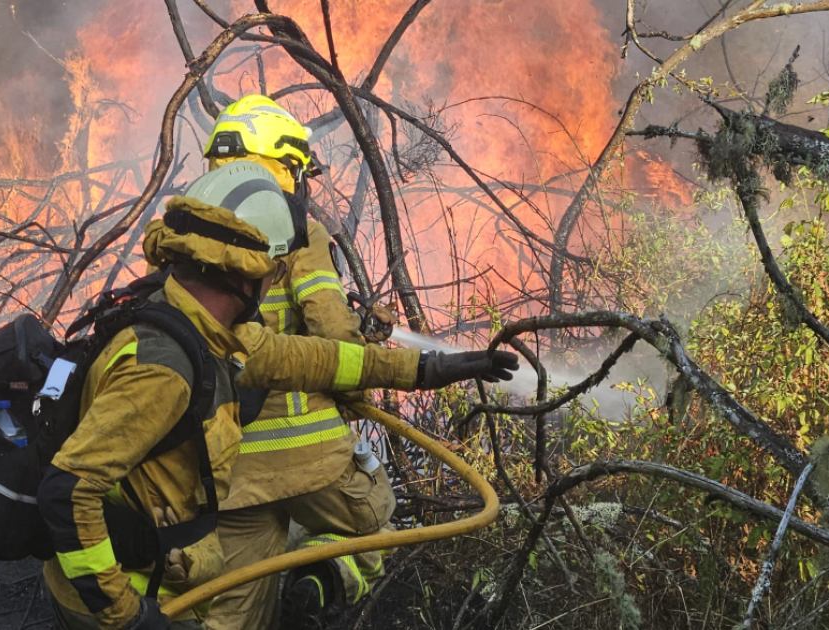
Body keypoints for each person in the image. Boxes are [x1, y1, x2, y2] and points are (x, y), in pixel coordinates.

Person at [37, 162, 519, 630]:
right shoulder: (164, 369)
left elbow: (318, 359)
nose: (274, 281)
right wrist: (126, 615)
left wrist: (427, 368)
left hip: (163, 585)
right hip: (125, 601)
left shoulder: (203, 329)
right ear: (242, 275)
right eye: (274, 270)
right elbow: (68, 490)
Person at [199, 95, 409, 630]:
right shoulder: (297, 232)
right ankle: (319, 581)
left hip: (226, 469)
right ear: (275, 164)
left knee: (232, 605)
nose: (298, 181)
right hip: (305, 454)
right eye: (294, 167)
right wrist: (358, 388)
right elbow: (331, 330)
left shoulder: (189, 234)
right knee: (377, 520)